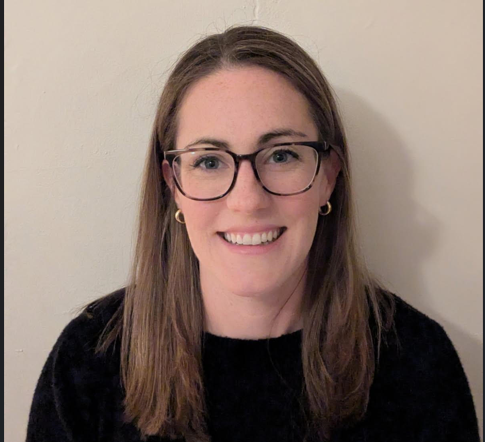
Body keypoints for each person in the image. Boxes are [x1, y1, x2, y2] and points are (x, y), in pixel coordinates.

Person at [26, 25, 479, 442]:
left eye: (281, 155)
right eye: (209, 161)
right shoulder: (88, 361)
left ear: (328, 176)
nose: (247, 200)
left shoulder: (417, 362)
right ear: (172, 185)